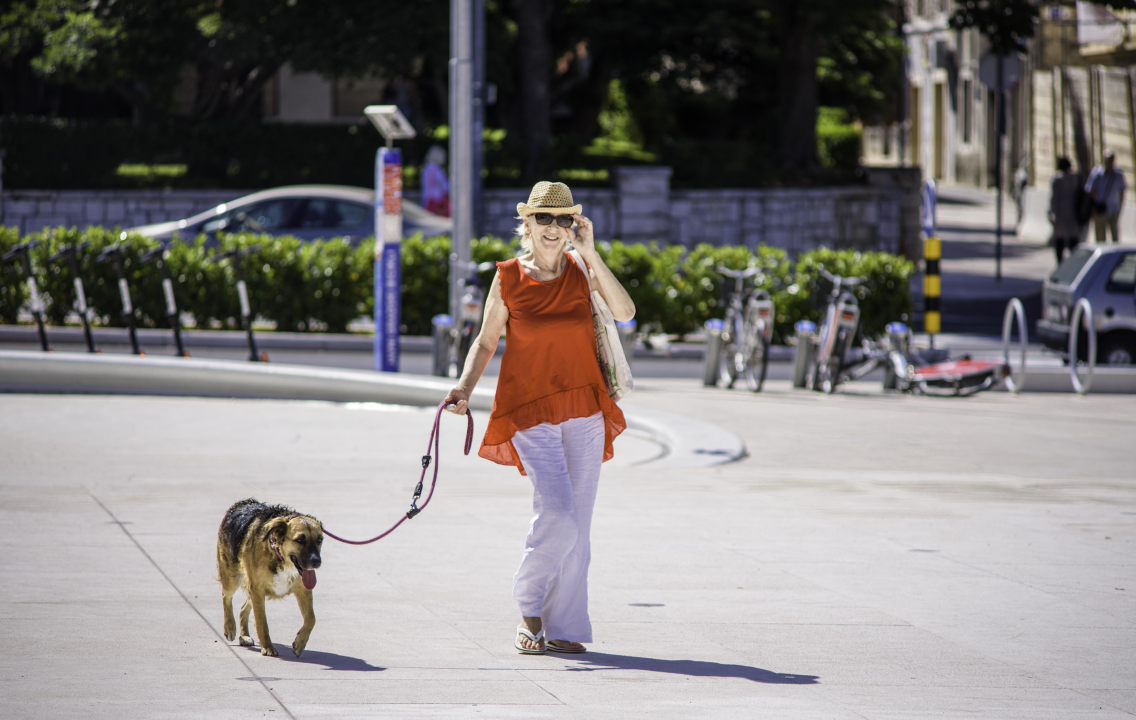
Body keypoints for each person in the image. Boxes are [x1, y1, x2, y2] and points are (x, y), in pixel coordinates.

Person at [443, 181, 635, 655]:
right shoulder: (508, 276)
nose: (553, 228)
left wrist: (591, 254)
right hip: (530, 409)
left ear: (574, 225)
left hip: (585, 408)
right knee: (559, 513)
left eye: (563, 220)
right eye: (544, 219)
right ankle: (529, 606)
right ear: (526, 223)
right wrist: (465, 388)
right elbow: (486, 341)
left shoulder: (580, 269)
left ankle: (565, 624)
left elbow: (626, 312)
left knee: (580, 525)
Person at [1085, 149, 1126, 244]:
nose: (1109, 162)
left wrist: (1120, 207)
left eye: (1111, 160)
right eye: (1107, 160)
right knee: (1100, 237)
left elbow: (1122, 191)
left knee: (1115, 236)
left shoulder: (1118, 175)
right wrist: (1092, 208)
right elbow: (1091, 190)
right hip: (1100, 210)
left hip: (1113, 209)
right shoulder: (1097, 173)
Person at [1048, 157, 1084, 263]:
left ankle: (1060, 263)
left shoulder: (1057, 179)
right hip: (1074, 214)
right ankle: (1074, 262)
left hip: (1060, 214)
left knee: (1060, 240)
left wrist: (1051, 213)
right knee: (1073, 240)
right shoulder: (1076, 178)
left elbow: (1054, 198)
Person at [422, 145, 451, 217]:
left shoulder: (425, 169)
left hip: (427, 201)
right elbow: (446, 187)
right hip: (438, 204)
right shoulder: (438, 170)